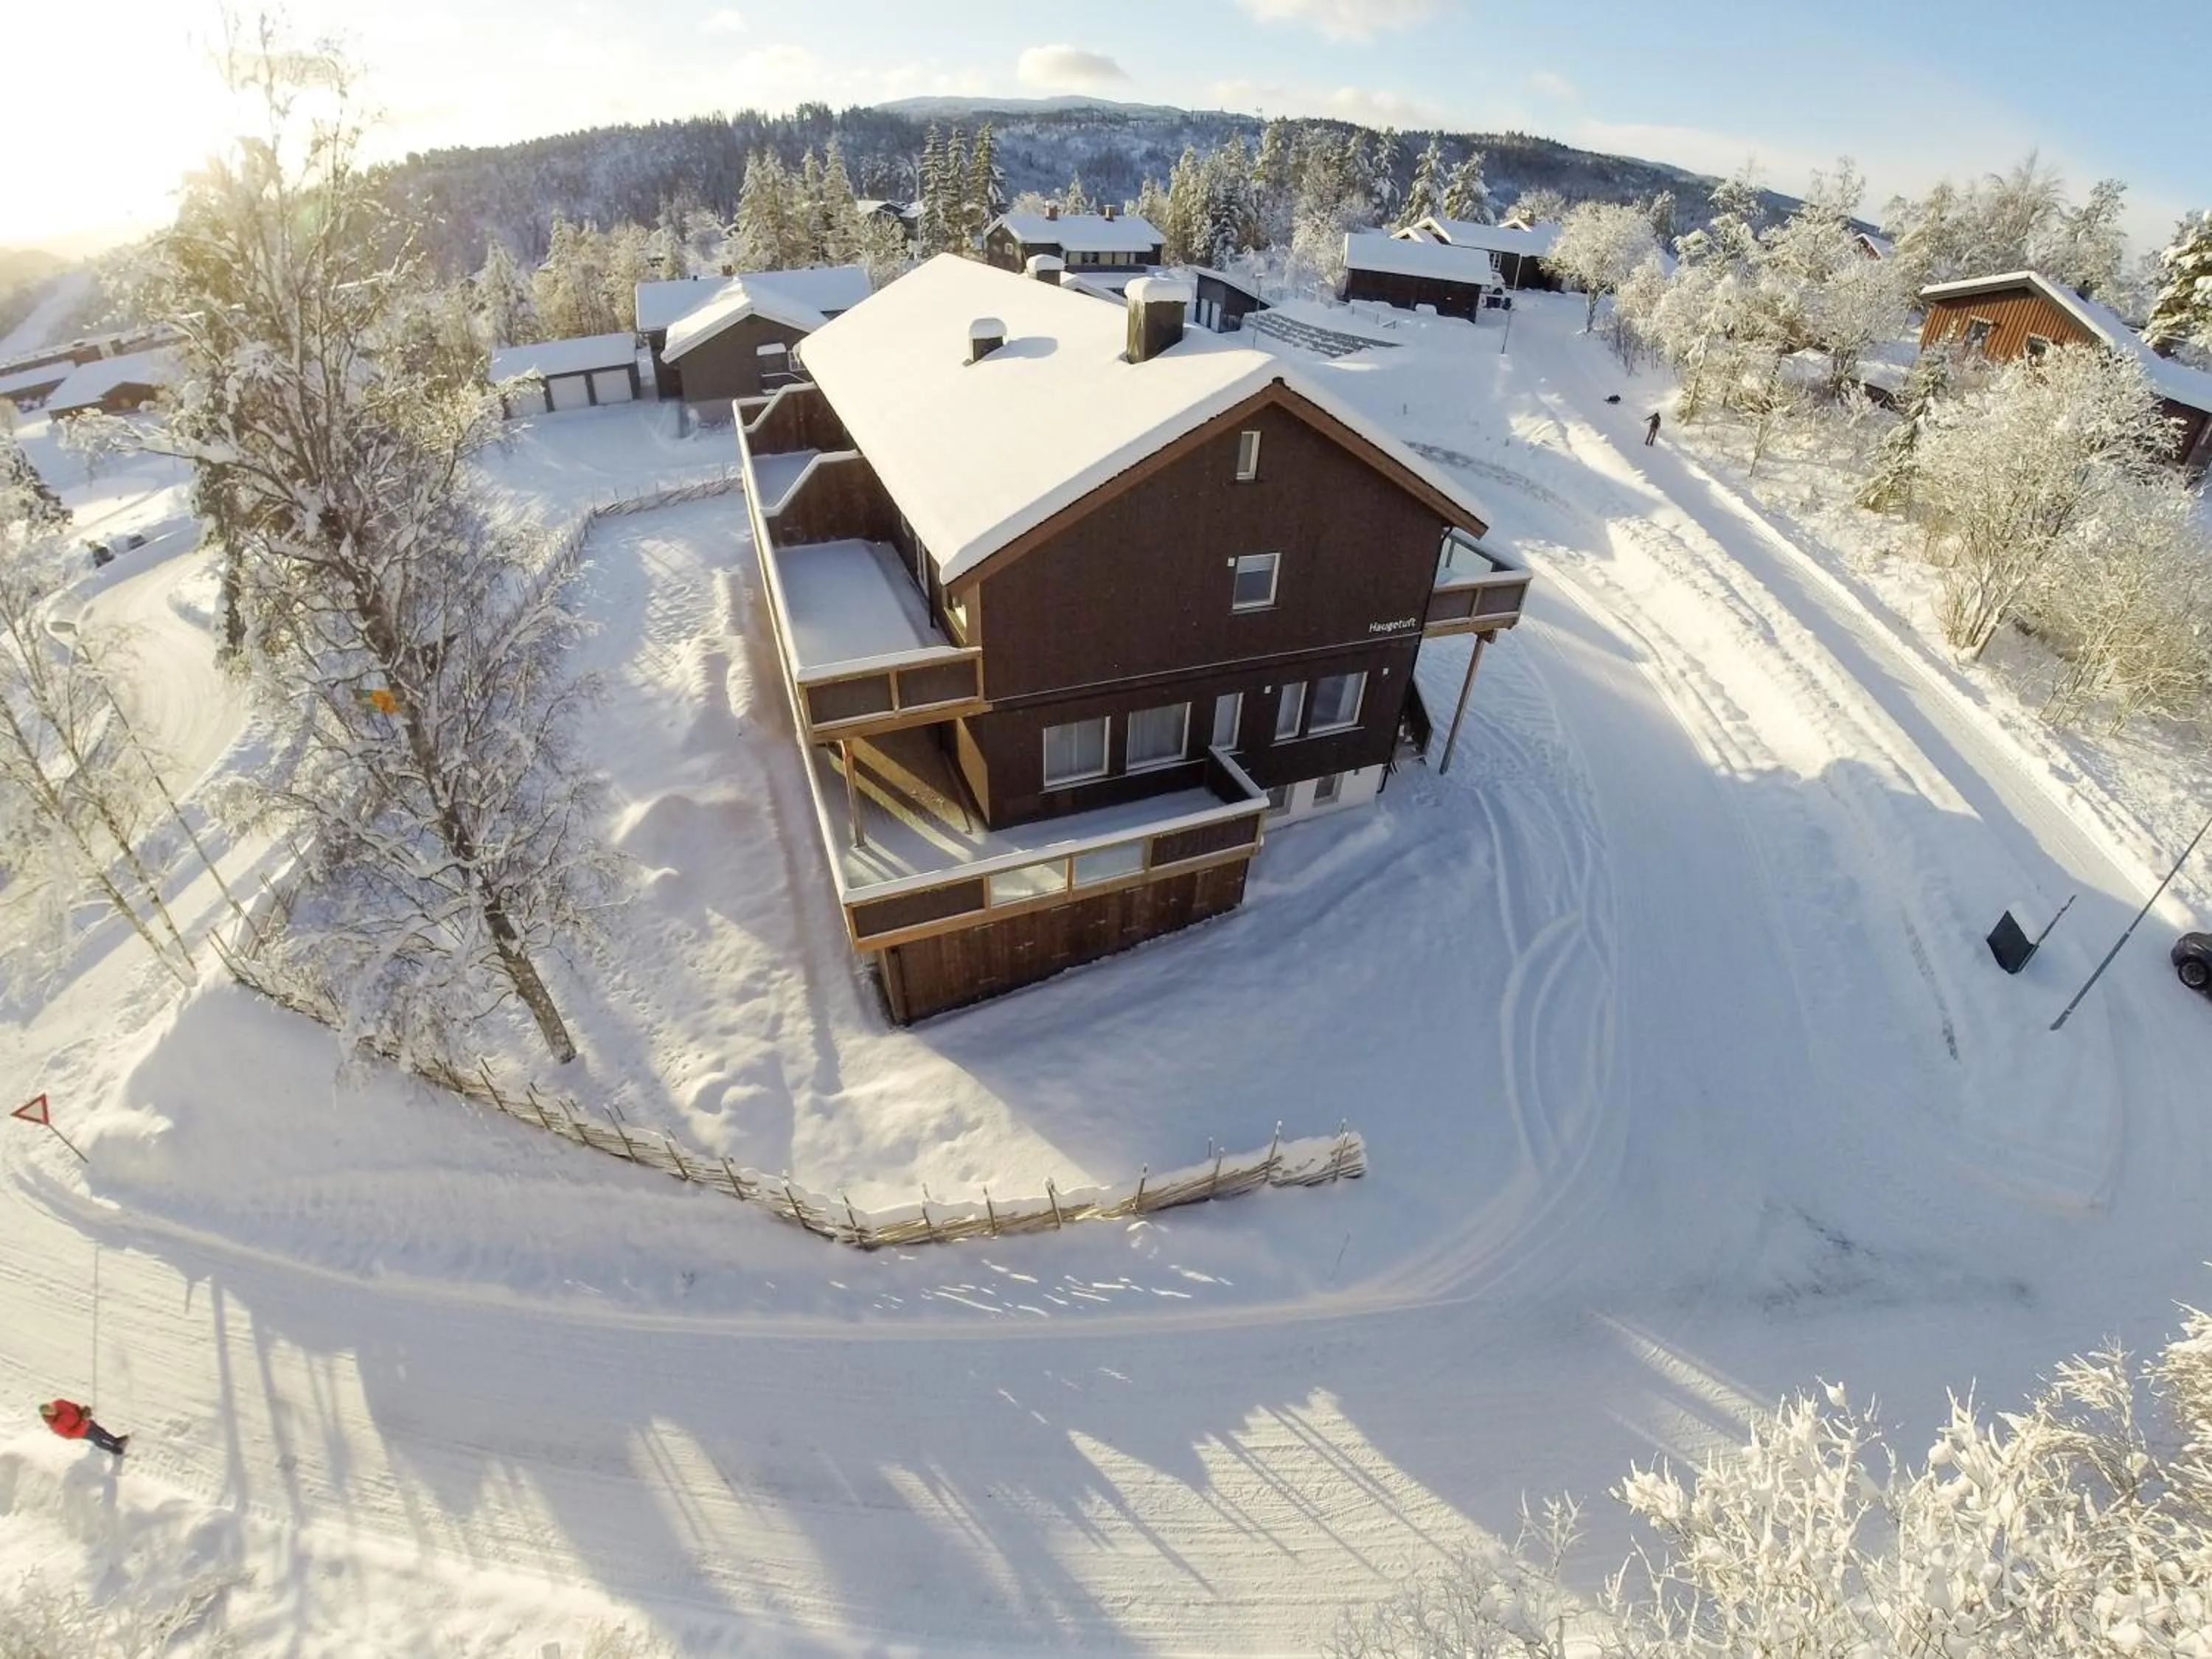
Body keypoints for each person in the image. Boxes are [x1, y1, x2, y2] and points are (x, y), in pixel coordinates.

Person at [40, 1399, 127, 1457]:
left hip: (86, 1420)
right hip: (83, 1432)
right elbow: (68, 1435)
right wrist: (83, 1422)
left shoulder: (59, 1403)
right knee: (98, 1439)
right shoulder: (55, 1425)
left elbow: (73, 1406)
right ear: (47, 1415)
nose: (52, 1411)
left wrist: (83, 1410)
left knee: (101, 1431)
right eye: (49, 1412)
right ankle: (112, 1449)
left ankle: (115, 1440)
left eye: (51, 1408)